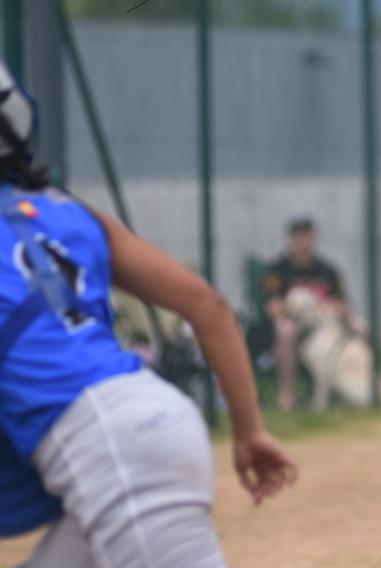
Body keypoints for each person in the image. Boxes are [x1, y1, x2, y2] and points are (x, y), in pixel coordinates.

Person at [0, 61, 297, 567]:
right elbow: (209, 306)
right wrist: (250, 431)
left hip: (111, 451)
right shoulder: (68, 212)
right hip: (149, 422)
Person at [261, 217, 349, 410]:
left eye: (307, 236)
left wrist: (325, 307)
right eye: (298, 237)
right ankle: (286, 395)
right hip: (294, 323)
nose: (303, 242)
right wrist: (292, 308)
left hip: (323, 324)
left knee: (360, 326)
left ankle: (354, 385)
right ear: (290, 239)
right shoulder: (277, 270)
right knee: (286, 331)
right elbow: (272, 308)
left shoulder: (327, 270)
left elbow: (342, 305)